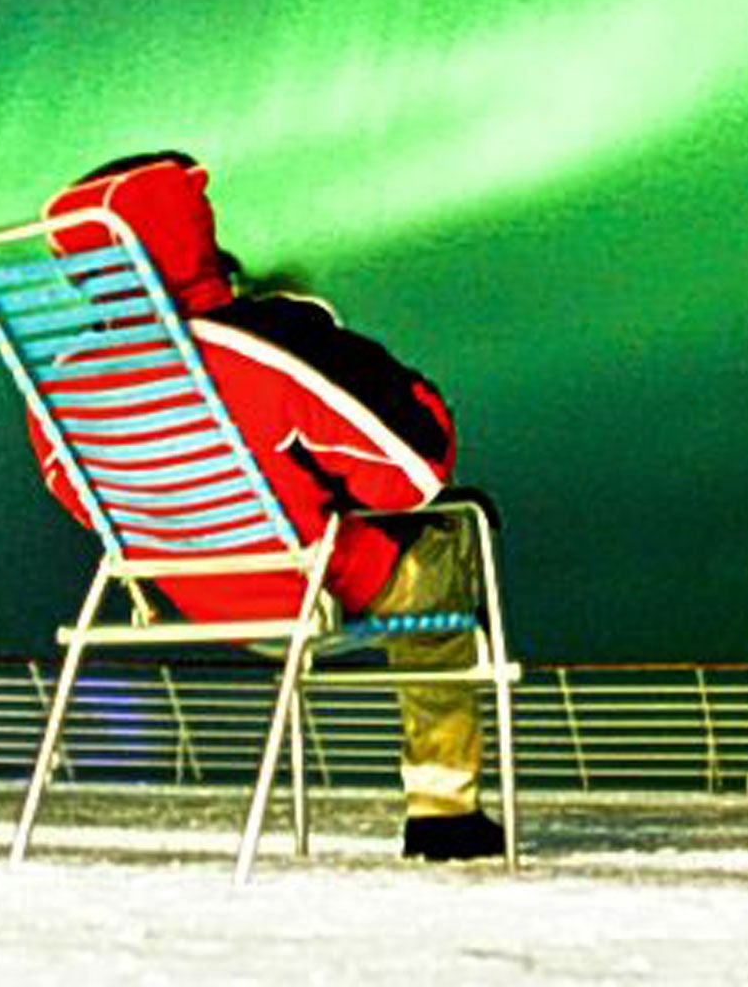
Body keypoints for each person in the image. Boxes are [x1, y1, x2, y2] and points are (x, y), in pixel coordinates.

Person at [26, 150, 506, 862]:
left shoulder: (63, 388)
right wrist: (329, 345)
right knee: (452, 532)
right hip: (312, 588)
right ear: (193, 231)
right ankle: (445, 811)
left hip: (198, 601)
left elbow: (83, 498)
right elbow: (412, 470)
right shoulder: (265, 345)